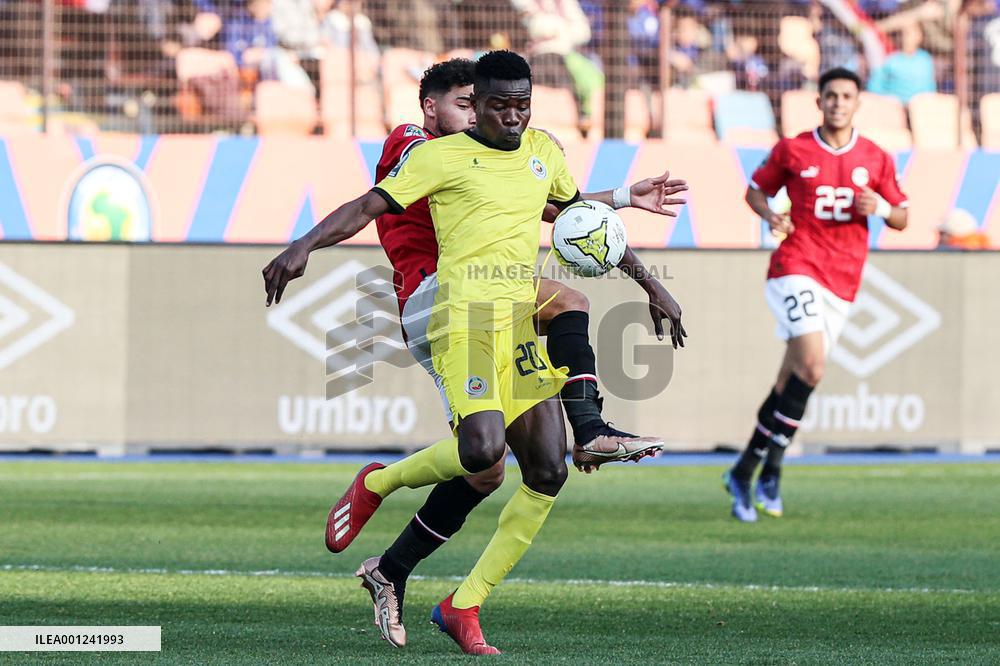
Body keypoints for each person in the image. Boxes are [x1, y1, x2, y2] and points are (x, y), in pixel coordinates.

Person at [262, 51, 684, 654]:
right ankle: (382, 481)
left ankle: (460, 601)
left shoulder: (541, 151)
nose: (509, 117)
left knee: (542, 467)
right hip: (453, 311)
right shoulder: (431, 151)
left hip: (511, 318)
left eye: (521, 105)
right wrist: (302, 246)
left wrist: (650, 278)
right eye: (490, 105)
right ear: (471, 105)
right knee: (483, 449)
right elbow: (367, 205)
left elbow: (570, 214)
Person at [724, 67, 909, 523]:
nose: (838, 103)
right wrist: (771, 216)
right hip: (796, 266)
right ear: (820, 101)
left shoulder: (876, 157)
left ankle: (746, 469)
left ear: (857, 103)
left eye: (847, 96)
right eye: (831, 95)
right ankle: (774, 468)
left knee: (792, 381)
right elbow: (754, 192)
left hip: (843, 280)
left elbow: (903, 216)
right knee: (813, 365)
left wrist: (881, 208)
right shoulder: (794, 149)